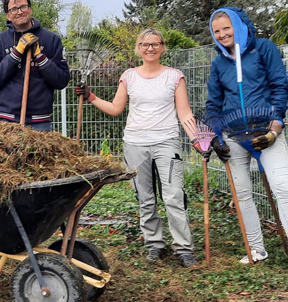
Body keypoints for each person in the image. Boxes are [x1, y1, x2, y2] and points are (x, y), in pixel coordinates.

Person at [205, 7, 288, 281]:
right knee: (242, 194)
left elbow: (280, 87)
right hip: (234, 137)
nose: (222, 34)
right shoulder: (218, 64)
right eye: (217, 31)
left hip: (266, 134)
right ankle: (255, 249)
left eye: (227, 27)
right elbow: (213, 103)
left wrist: (275, 127)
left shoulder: (264, 48)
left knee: (284, 188)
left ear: (239, 25)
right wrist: (215, 136)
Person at [78, 28, 201, 267]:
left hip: (166, 141)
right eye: (145, 44)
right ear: (139, 48)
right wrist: (91, 97)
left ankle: (184, 248)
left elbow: (184, 112)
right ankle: (154, 244)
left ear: (163, 48)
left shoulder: (174, 76)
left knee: (174, 194)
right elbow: (116, 108)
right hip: (135, 143)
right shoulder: (129, 76)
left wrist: (198, 139)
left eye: (155, 44)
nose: (150, 48)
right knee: (145, 197)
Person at [0, 0, 70, 129]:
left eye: (23, 7)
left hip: (39, 121)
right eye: (14, 9)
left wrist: (41, 58)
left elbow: (62, 80)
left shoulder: (51, 40)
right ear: (7, 15)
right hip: (5, 121)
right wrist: (16, 54)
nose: (19, 12)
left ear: (30, 9)